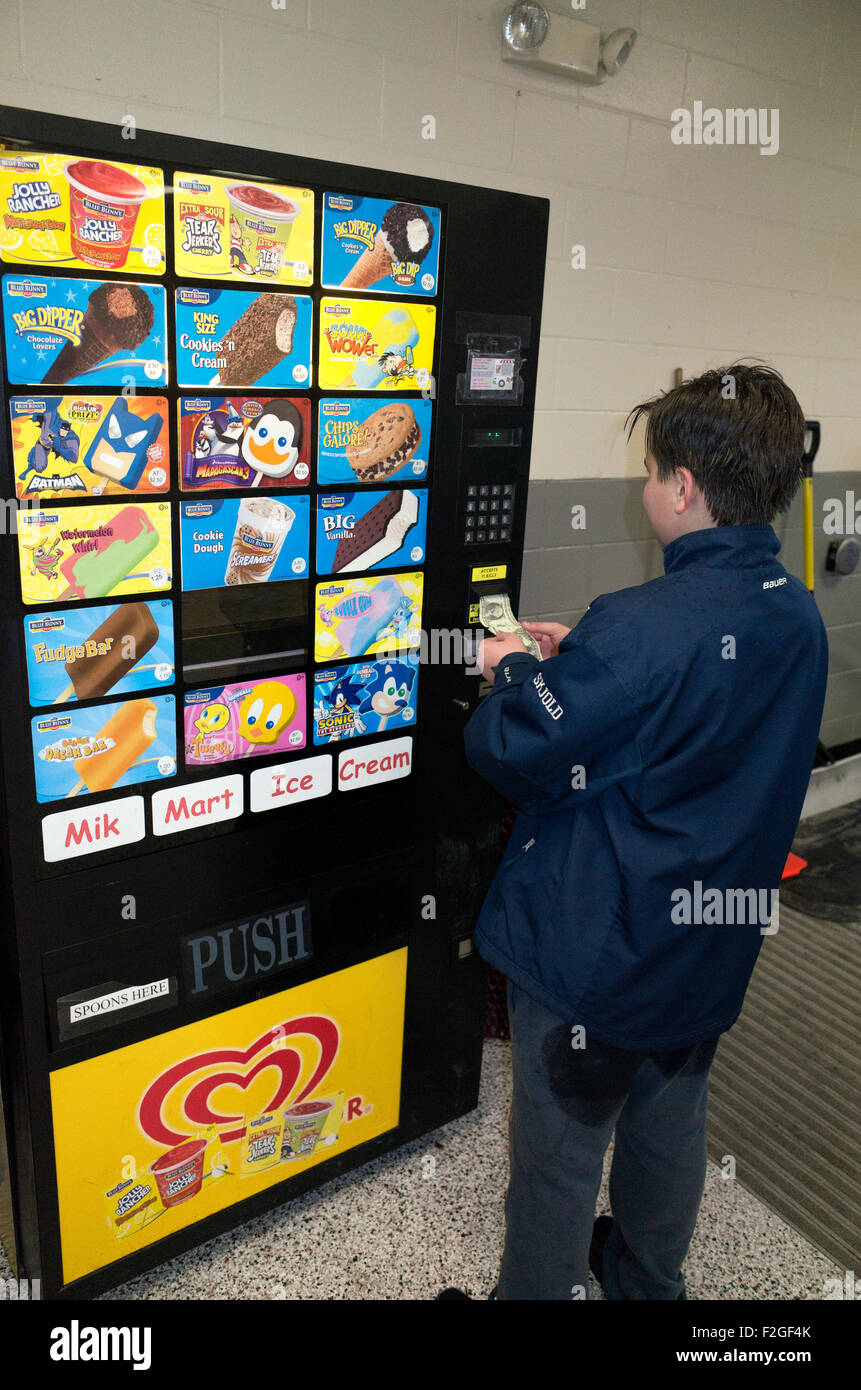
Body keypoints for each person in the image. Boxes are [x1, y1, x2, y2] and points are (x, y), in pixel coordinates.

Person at [461, 363, 828, 1301]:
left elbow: (517, 750)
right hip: (708, 941)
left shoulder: (639, 625)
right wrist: (570, 664)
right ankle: (644, 1284)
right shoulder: (794, 615)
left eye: (651, 470)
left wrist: (510, 672)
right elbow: (671, 721)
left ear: (683, 487)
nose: (644, 489)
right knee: (670, 1123)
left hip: (599, 948)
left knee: (558, 1154)